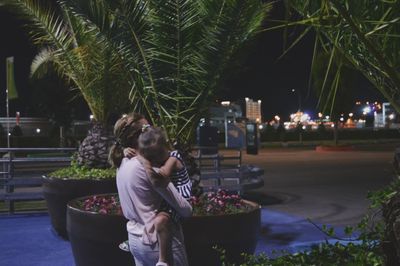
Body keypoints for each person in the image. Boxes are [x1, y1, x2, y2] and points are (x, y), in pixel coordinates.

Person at [109, 113, 192, 266]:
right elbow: (185, 209)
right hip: (156, 241)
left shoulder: (122, 163)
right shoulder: (148, 169)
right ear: (138, 136)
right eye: (147, 127)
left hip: (134, 238)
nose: (152, 129)